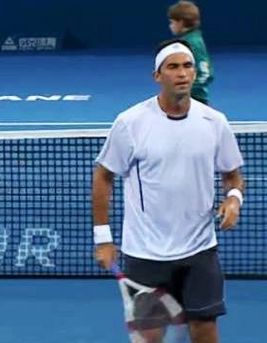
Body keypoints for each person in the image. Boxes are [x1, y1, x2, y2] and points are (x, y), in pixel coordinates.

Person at [92, 39, 244, 343]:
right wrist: (103, 239)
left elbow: (233, 175)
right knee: (150, 337)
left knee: (205, 330)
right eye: (172, 67)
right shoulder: (130, 123)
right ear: (157, 76)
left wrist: (233, 199)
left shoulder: (215, 123)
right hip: (145, 254)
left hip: (200, 250)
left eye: (187, 66)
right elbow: (103, 176)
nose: (182, 73)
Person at [168, 1, 213, 104]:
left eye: (172, 22)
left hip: (195, 100)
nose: (170, 26)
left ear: (181, 22)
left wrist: (186, 90)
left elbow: (206, 73)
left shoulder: (193, 43)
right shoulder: (189, 40)